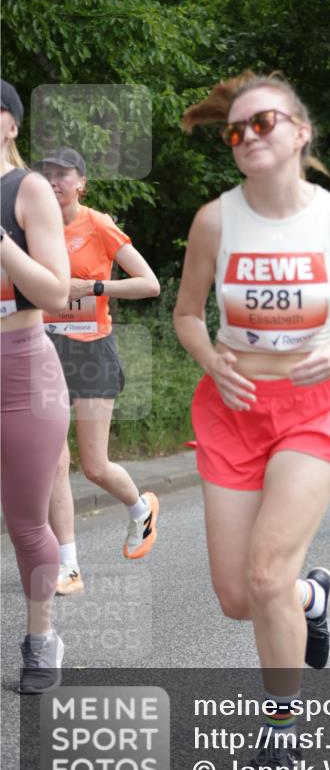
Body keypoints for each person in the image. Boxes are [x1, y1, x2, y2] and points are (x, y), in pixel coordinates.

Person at [174, 70, 330, 770]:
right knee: (240, 598)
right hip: (233, 408)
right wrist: (211, 360)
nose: (246, 137)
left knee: (267, 572)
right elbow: (186, 314)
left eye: (263, 122)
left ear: (300, 131)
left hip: (316, 407)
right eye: (235, 131)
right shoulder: (214, 221)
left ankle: (281, 733)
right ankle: (311, 597)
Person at [34, 147, 161, 594]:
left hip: (92, 353)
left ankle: (141, 508)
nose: (53, 181)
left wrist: (93, 287)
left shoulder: (98, 224)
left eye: (63, 174)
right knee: (54, 461)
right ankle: (68, 566)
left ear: (81, 183)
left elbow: (150, 284)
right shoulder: (31, 227)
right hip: (45, 350)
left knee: (94, 466)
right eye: (46, 174)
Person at [1, 81, 70, 692]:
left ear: (11, 125)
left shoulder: (27, 190)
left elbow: (55, 292)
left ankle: (41, 639)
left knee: (26, 523)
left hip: (22, 370)